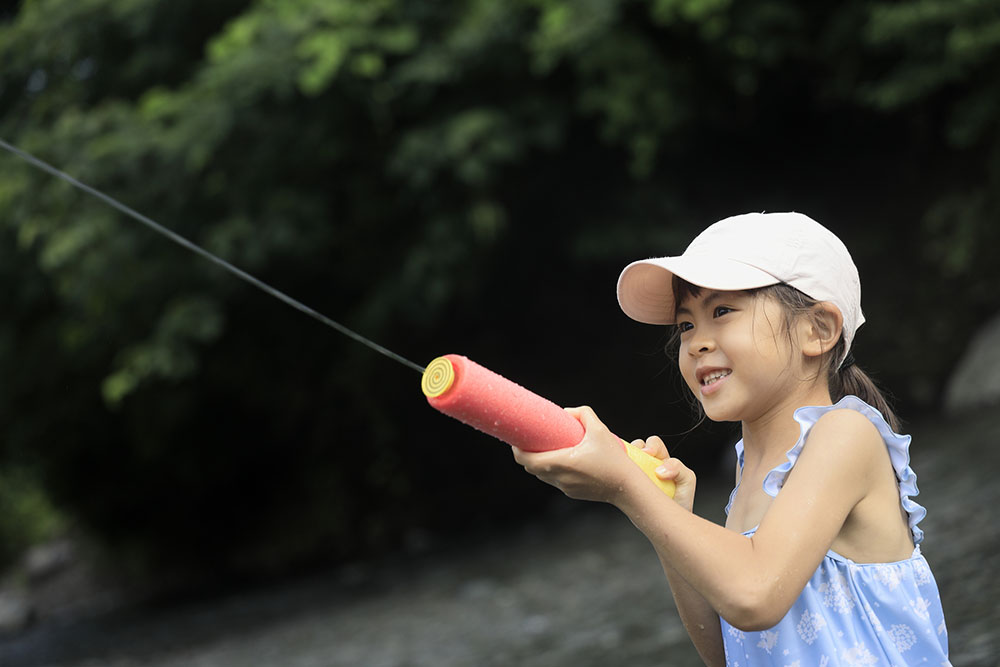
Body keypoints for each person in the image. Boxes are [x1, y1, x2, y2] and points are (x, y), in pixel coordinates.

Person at [512, 212, 950, 666]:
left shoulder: (844, 434)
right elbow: (729, 651)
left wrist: (627, 487)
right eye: (686, 326)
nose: (697, 341)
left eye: (721, 312)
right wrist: (666, 509)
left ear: (817, 330)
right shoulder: (749, 469)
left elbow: (756, 596)